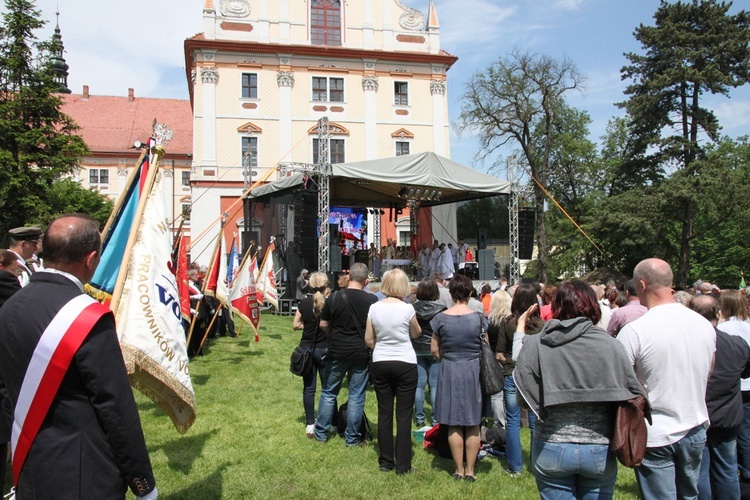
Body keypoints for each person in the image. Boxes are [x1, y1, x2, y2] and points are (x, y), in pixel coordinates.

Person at [0, 214, 156, 499]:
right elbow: (115, 408)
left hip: (28, 466)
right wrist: (143, 483)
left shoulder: (9, 309)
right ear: (91, 259)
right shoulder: (89, 318)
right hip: (85, 475)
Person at [515, 280, 647, 499]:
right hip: (599, 448)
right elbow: (632, 395)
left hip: (551, 444)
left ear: (556, 306)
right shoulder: (612, 345)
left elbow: (522, 399)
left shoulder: (536, 345)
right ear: (592, 306)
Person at [618, 258, 715, 499]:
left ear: (641, 284)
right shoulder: (703, 324)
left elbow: (621, 383)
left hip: (656, 433)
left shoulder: (635, 331)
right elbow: (709, 372)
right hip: (694, 425)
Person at [690, 294, 750, 500]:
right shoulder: (736, 344)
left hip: (699, 416)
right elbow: (745, 372)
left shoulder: (687, 344)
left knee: (701, 472)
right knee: (726, 469)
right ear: (718, 313)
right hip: (725, 416)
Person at [430, 273, 487, 482]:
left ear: (451, 293)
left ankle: (458, 469)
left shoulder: (440, 318)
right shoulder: (479, 318)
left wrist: (448, 358)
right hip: (473, 369)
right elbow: (485, 346)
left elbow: (434, 350)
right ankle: (470, 470)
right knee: (473, 422)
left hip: (450, 368)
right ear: (470, 293)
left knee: (453, 422)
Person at [313, 263, 377, 446]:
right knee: (356, 396)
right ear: (366, 281)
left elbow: (323, 324)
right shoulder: (371, 300)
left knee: (328, 392)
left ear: (348, 278)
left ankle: (321, 434)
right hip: (360, 352)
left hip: (337, 351)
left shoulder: (334, 297)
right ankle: (352, 438)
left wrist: (334, 335)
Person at [365, 269, 421, 474]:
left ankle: (386, 461)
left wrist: (381, 345)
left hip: (381, 360)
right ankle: (403, 465)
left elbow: (368, 340)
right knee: (404, 415)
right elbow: (416, 333)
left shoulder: (374, 308)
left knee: (384, 412)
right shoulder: (407, 309)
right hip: (405, 361)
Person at [497, 283, 545, 476]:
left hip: (511, 374)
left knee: (513, 421)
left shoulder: (508, 323)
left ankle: (515, 466)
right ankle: (536, 465)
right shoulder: (542, 326)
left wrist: (509, 360)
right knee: (535, 421)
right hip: (534, 377)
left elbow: (499, 352)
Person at [716, 289, 750, 493]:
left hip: (736, 385)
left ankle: (745, 469)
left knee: (741, 431)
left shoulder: (725, 329)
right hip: (745, 382)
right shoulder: (747, 327)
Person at [293, 272, 330, 438]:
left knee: (309, 388)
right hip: (324, 349)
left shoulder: (303, 303)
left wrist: (306, 327)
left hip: (306, 348)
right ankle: (331, 422)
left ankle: (309, 423)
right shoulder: (329, 303)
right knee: (328, 389)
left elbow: (295, 325)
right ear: (325, 286)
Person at [411, 278, 447, 427]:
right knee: (435, 385)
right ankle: (435, 419)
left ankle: (419, 418)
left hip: (417, 349)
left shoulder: (411, 308)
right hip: (435, 349)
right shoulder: (442, 309)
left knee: (419, 386)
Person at [485, 289, 512, 429]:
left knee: (496, 394)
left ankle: (499, 422)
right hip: (509, 358)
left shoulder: (489, 322)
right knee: (511, 391)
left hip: (494, 359)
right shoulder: (513, 321)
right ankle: (512, 418)